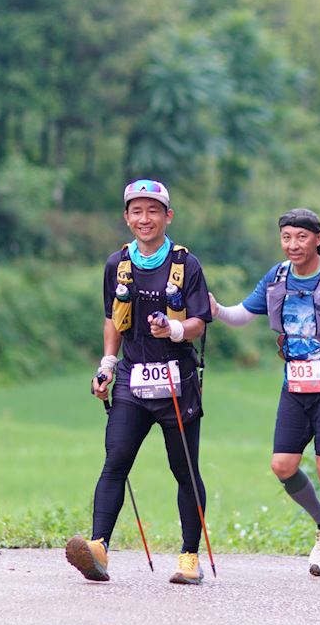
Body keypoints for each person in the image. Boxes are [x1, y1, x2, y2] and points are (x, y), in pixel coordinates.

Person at [210, 208, 320, 578]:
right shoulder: (277, 276)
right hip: (295, 384)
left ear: (318, 238)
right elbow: (241, 314)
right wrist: (216, 309)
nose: (293, 245)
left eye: (301, 237)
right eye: (286, 237)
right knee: (282, 465)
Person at [65, 179, 215, 586]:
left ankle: (188, 556)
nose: (144, 219)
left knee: (184, 469)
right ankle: (98, 548)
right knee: (115, 462)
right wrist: (107, 365)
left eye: (153, 211)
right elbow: (113, 319)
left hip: (175, 380)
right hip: (132, 379)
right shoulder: (118, 264)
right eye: (136, 211)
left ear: (168, 216)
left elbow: (200, 321)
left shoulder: (187, 264)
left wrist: (175, 331)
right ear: (126, 217)